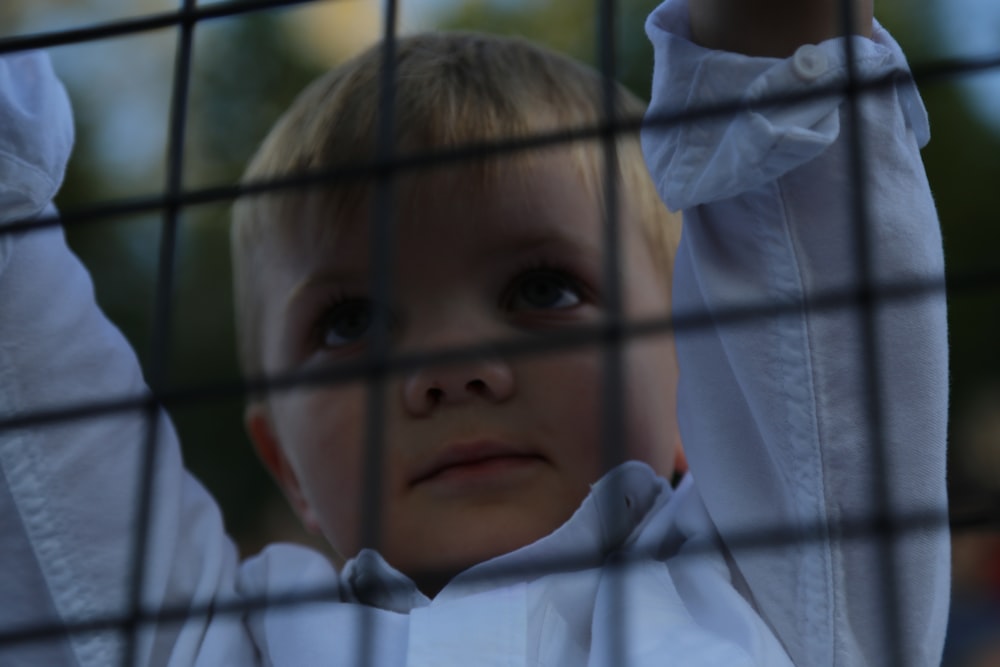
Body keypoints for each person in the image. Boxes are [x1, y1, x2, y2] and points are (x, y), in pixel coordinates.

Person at [0, 0, 949, 664]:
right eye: (349, 319)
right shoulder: (204, 638)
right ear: (285, 466)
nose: (450, 369)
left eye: (542, 288)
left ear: (698, 378)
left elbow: (784, 111)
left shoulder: (791, 588)